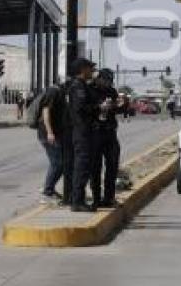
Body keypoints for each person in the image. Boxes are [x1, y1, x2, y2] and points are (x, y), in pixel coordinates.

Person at [90, 69, 125, 209]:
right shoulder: (90, 90)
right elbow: (84, 109)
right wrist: (99, 107)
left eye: (110, 81)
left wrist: (121, 105)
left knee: (112, 165)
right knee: (95, 168)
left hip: (110, 132)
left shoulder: (111, 91)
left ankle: (109, 198)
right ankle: (96, 198)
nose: (108, 83)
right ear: (99, 79)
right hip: (95, 133)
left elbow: (117, 110)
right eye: (106, 80)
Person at [67, 58, 98, 212]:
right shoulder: (78, 86)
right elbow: (81, 108)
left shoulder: (83, 86)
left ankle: (78, 199)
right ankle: (77, 201)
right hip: (82, 131)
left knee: (84, 166)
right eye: (89, 68)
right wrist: (98, 107)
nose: (92, 71)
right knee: (82, 166)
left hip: (85, 130)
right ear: (82, 69)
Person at [38, 82, 67, 203]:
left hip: (56, 134)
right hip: (48, 134)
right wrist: (50, 132)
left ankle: (49, 188)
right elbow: (46, 112)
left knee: (60, 163)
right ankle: (47, 192)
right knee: (57, 163)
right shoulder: (53, 92)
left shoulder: (60, 93)